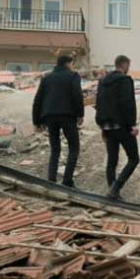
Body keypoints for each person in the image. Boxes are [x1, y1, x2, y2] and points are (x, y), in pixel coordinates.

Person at [31, 55, 84, 188]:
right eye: (72, 64)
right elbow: (77, 95)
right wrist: (80, 114)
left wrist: (36, 121)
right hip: (67, 116)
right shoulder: (73, 76)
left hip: (50, 117)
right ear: (68, 63)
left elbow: (38, 100)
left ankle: (51, 180)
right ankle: (67, 180)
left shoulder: (46, 78)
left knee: (55, 149)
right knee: (74, 147)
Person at [96, 55, 139, 200]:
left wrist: (102, 126)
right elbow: (128, 103)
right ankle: (115, 188)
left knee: (112, 160)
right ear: (125, 64)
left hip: (107, 126)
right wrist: (132, 124)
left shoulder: (102, 82)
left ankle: (112, 191)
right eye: (129, 65)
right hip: (122, 126)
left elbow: (99, 103)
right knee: (134, 158)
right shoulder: (125, 80)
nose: (129, 68)